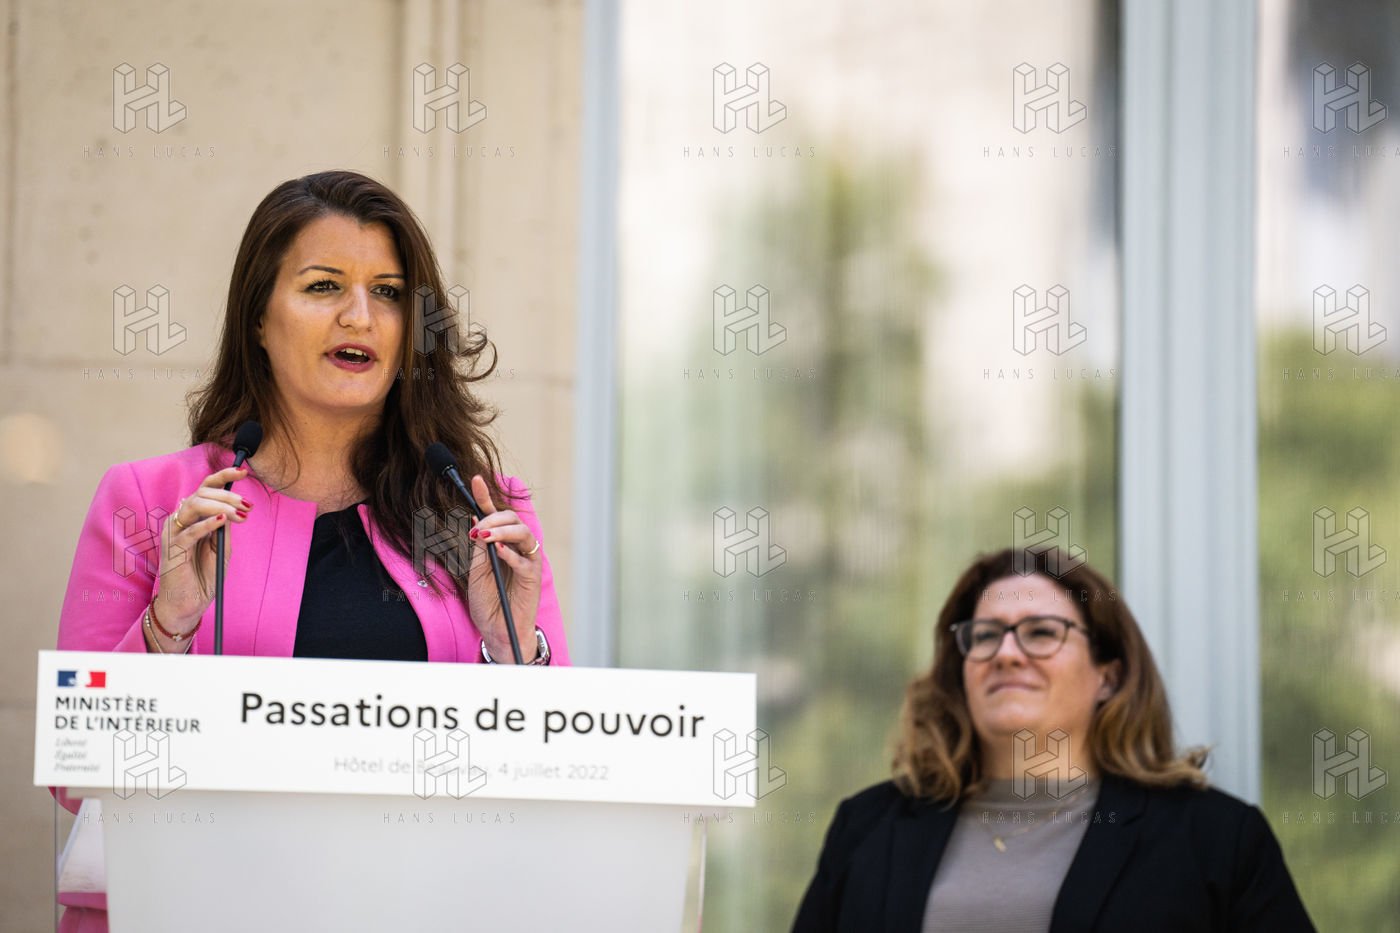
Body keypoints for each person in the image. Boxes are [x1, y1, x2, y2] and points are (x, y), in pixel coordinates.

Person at [54, 170, 568, 931]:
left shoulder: (474, 511)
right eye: (324, 286)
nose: (360, 315)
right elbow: (74, 773)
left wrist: (510, 652)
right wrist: (168, 627)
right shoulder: (151, 502)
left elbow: (556, 778)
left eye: (388, 293)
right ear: (259, 320)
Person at [791, 548, 1314, 933]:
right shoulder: (868, 828)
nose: (1006, 654)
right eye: (985, 635)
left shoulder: (1214, 839)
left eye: (1041, 632)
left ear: (1108, 676)